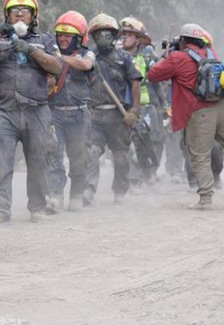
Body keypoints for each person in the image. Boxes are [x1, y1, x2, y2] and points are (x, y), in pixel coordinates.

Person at [148, 23, 224, 210]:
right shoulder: (211, 55)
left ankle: (205, 198)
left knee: (200, 155)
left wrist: (166, 56)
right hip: (223, 108)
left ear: (182, 40)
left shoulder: (178, 58)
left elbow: (154, 75)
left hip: (200, 112)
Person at [0, 0, 62, 224]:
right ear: (6, 15)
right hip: (4, 110)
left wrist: (30, 50)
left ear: (34, 16)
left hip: (36, 110)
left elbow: (56, 67)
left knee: (38, 160)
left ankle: (37, 206)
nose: (19, 16)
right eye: (14, 12)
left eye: (24, 12)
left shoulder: (45, 40)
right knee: (0, 160)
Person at [85, 13, 142, 205]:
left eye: (107, 33)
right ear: (93, 36)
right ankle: (88, 191)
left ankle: (120, 192)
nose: (103, 37)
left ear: (114, 35)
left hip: (119, 117)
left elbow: (135, 84)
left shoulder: (124, 58)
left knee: (120, 157)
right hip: (95, 115)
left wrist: (134, 111)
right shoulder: (88, 58)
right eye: (98, 34)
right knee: (91, 151)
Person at [46, 11, 94, 212]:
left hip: (79, 113)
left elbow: (85, 65)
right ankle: (55, 196)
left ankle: (76, 194)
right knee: (54, 156)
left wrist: (60, 59)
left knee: (78, 157)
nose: (63, 39)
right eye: (60, 35)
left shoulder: (87, 53)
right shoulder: (50, 54)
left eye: (68, 36)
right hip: (55, 113)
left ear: (79, 38)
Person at [120, 17, 165, 190]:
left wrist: (164, 106)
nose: (125, 37)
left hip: (144, 107)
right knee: (126, 145)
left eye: (129, 34)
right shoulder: (114, 56)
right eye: (123, 34)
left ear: (137, 38)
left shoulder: (146, 58)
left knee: (145, 142)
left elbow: (156, 83)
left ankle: (141, 177)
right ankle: (130, 179)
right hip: (121, 107)